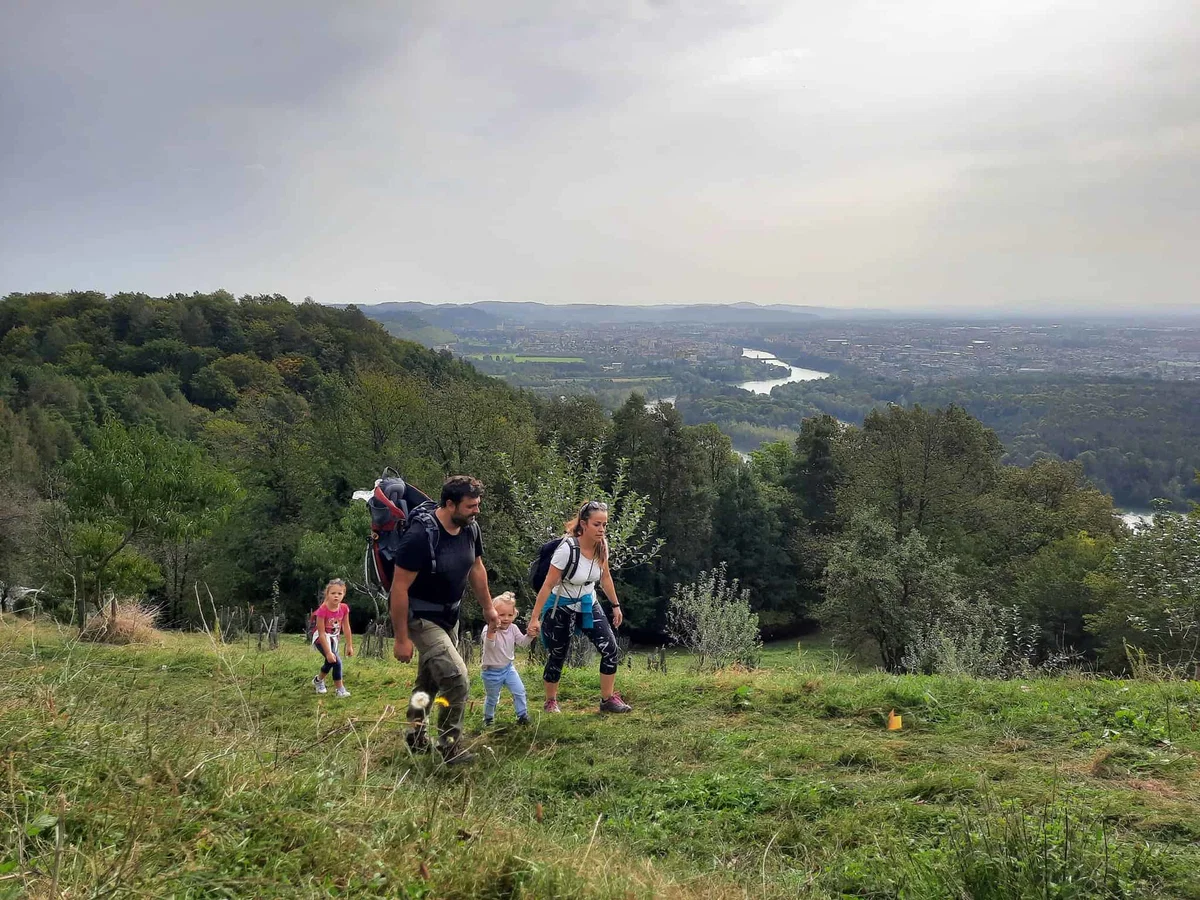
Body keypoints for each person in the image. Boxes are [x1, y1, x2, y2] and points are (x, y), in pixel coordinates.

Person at [391, 475, 499, 765]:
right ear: (449, 504)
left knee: (427, 685)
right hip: (421, 618)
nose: (476, 510)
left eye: (477, 505)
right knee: (456, 679)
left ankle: (415, 734)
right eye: (470, 506)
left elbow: (476, 568)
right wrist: (401, 638)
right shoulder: (419, 537)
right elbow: (398, 589)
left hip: (450, 615)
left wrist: (488, 607)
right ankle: (449, 747)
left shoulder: (470, 528)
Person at [527, 500, 631, 714]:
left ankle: (607, 699)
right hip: (560, 605)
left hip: (587, 602)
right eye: (597, 524)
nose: (602, 529)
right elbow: (548, 585)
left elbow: (606, 577)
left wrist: (615, 605)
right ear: (583, 524)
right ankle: (550, 701)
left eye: (604, 525)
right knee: (558, 653)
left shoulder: (602, 545)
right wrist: (535, 618)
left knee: (610, 648)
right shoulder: (567, 549)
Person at [480, 592, 532, 726]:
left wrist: (530, 635)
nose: (506, 619)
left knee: (519, 691)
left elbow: (522, 643)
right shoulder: (487, 630)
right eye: (501, 615)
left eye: (509, 615)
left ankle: (522, 716)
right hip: (491, 672)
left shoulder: (513, 628)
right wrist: (492, 630)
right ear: (493, 614)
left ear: (514, 614)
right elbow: (490, 646)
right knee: (492, 698)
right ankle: (488, 719)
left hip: (508, 668)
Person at [312, 579, 353, 698]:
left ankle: (318, 681)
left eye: (339, 593)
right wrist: (328, 652)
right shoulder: (322, 610)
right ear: (327, 594)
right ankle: (340, 690)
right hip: (321, 639)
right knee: (336, 661)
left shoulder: (344, 608)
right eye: (333, 593)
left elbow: (346, 627)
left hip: (333, 638)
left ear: (344, 594)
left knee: (330, 661)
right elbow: (321, 633)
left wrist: (349, 645)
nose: (336, 596)